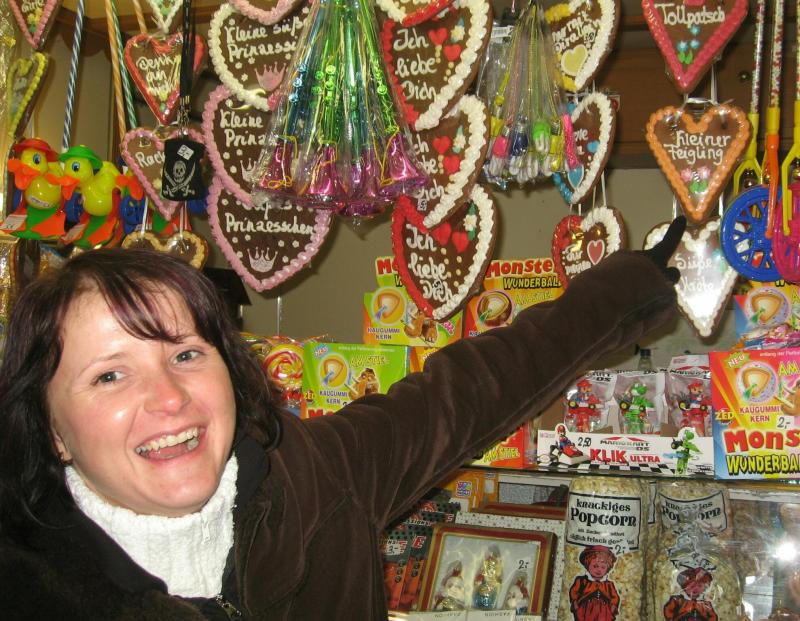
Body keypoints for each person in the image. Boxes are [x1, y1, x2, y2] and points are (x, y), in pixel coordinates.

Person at [0, 217, 685, 619]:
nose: (169, 398)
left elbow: (481, 385)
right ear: (52, 429)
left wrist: (626, 285)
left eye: (185, 353)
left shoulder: (319, 476)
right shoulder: (28, 582)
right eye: (110, 374)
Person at [568, 545, 621, 621]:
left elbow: (615, 597)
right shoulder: (581, 580)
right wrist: (575, 603)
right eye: (595, 566)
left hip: (605, 612)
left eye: (603, 567)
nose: (599, 570)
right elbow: (574, 591)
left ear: (608, 568)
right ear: (587, 565)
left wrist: (612, 607)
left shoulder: (609, 584)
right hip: (585, 610)